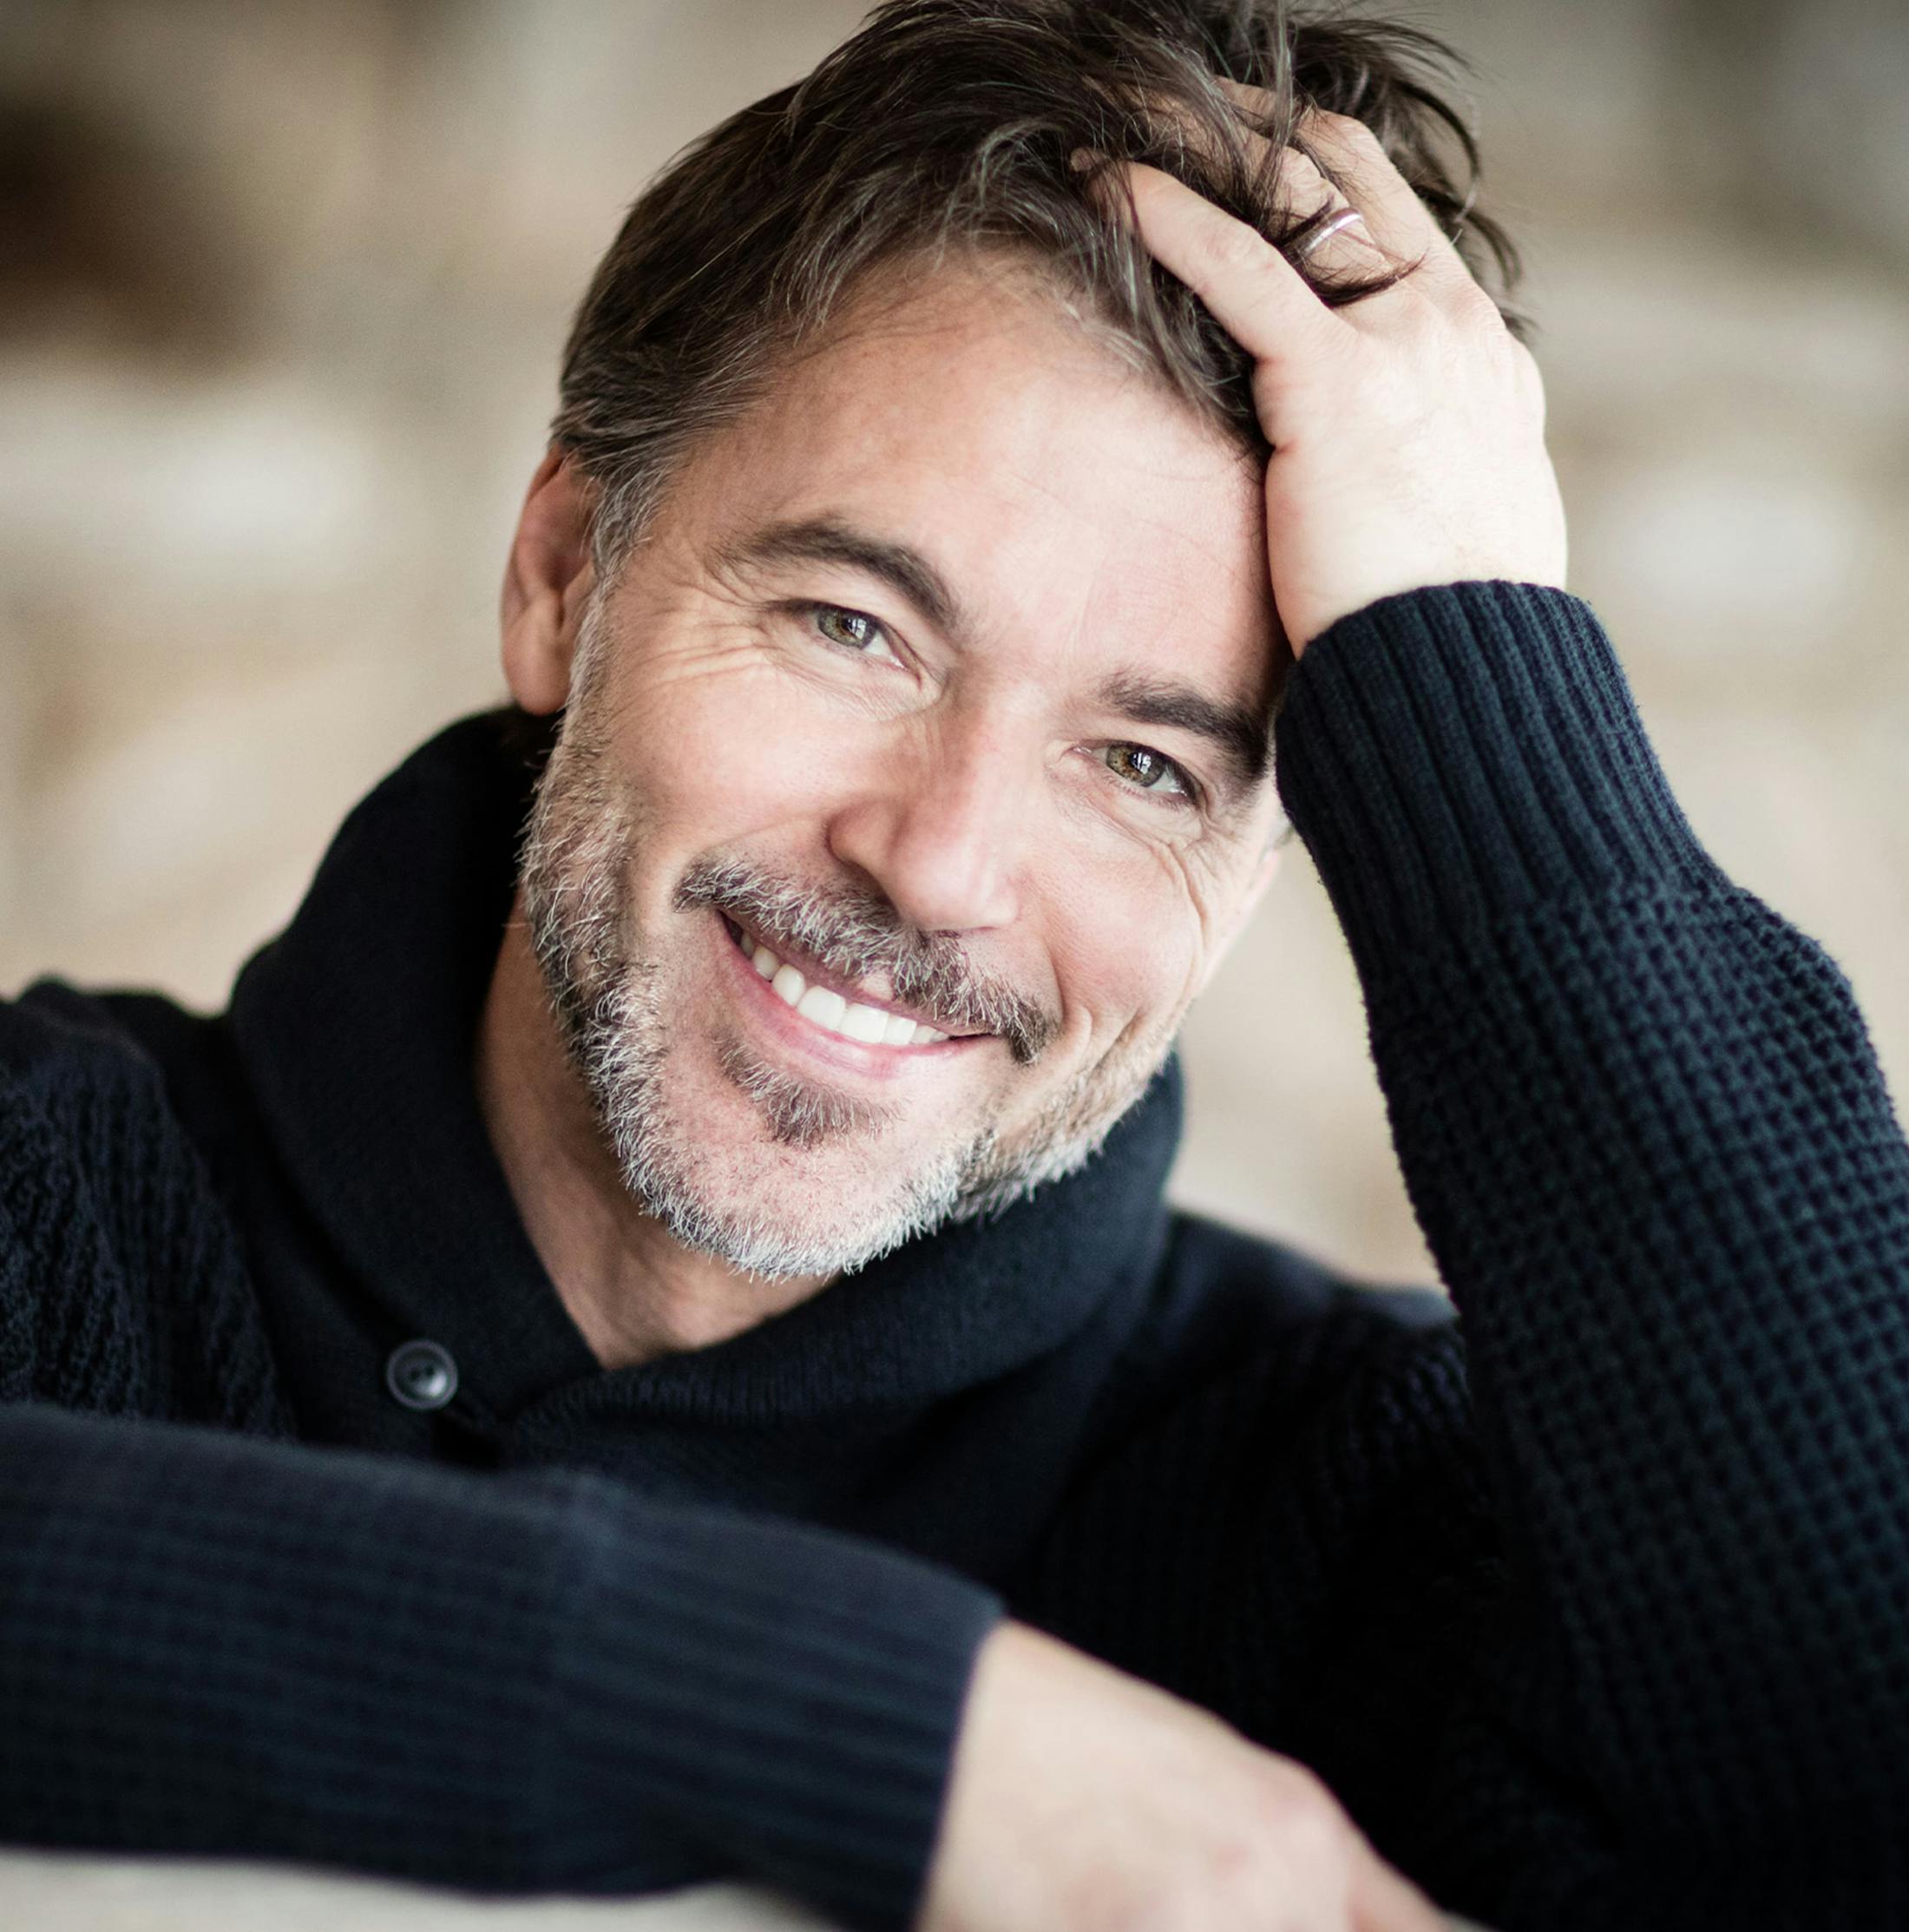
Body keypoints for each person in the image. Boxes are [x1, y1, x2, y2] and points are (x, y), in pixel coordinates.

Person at [2, 2, 1905, 1929]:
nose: (940, 867)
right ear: (563, 576)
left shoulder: (1343, 1526)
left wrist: (1466, 656)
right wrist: (885, 1737)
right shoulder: (53, 1207)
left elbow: (1848, 1787)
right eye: (854, 627)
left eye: (1148, 762)